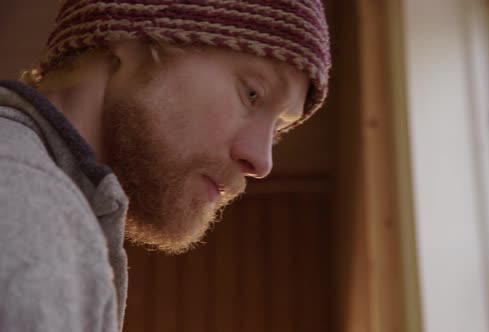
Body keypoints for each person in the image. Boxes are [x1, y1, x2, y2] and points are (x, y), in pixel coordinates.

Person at [0, 0, 331, 331]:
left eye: (278, 131)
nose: (262, 162)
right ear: (128, 31)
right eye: (252, 94)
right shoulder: (28, 206)